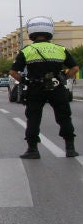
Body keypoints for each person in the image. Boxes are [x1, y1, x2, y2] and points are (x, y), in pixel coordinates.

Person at [9, 16, 79, 159]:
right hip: (57, 88)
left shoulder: (27, 51)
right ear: (50, 31)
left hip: (36, 89)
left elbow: (13, 72)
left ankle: (33, 150)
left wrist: (26, 82)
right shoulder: (60, 49)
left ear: (31, 32)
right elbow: (75, 68)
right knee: (64, 117)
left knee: (33, 118)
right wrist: (64, 78)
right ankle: (70, 148)